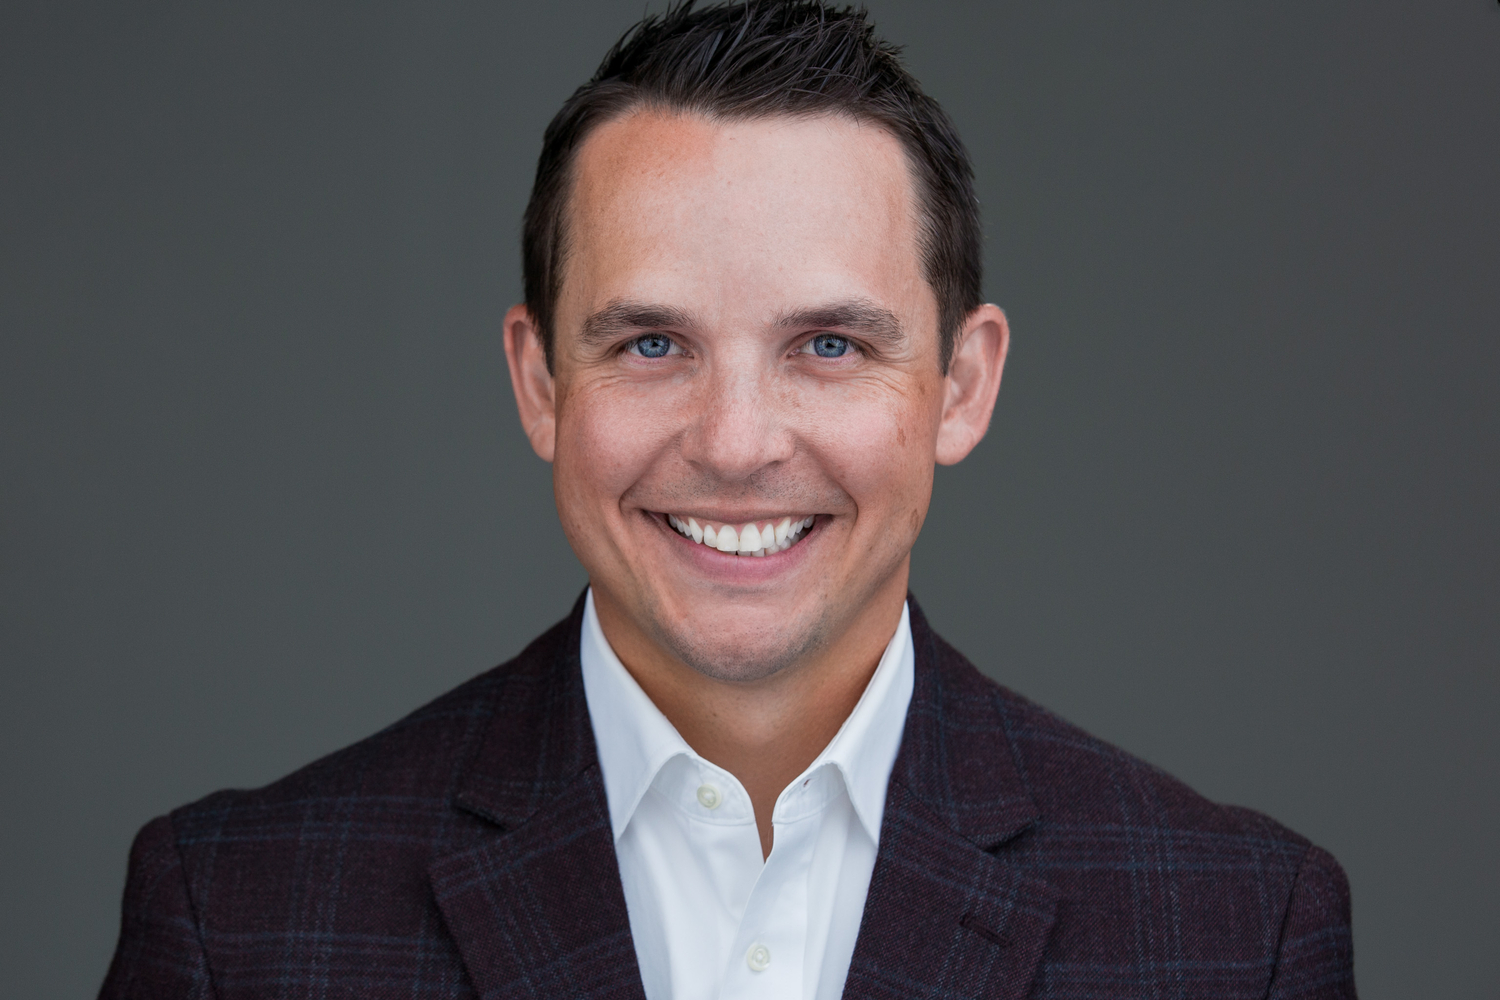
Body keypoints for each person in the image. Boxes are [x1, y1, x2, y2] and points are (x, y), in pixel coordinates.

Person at [99, 3, 1356, 998]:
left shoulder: (1236, 934)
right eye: (652, 344)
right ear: (539, 384)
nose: (737, 444)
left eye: (829, 346)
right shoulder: (239, 921)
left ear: (962, 386)